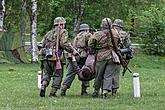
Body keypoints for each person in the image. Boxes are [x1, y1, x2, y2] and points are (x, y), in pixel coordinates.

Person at [39, 17, 77, 97]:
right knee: (58, 75)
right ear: (62, 24)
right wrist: (72, 50)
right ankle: (53, 93)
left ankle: (43, 86)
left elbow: (41, 45)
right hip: (57, 57)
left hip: (46, 56)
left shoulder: (49, 33)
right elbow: (64, 43)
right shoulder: (63, 31)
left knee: (47, 74)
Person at [88, 18, 121, 98]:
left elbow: (90, 44)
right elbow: (119, 44)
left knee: (98, 75)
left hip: (100, 56)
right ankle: (105, 91)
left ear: (102, 25)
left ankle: (96, 91)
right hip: (112, 56)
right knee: (108, 75)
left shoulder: (97, 34)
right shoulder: (115, 34)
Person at [61, 24, 92, 96]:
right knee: (85, 72)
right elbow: (91, 45)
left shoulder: (77, 36)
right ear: (87, 29)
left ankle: (63, 89)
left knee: (70, 73)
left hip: (73, 56)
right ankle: (84, 91)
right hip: (83, 56)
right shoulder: (88, 35)